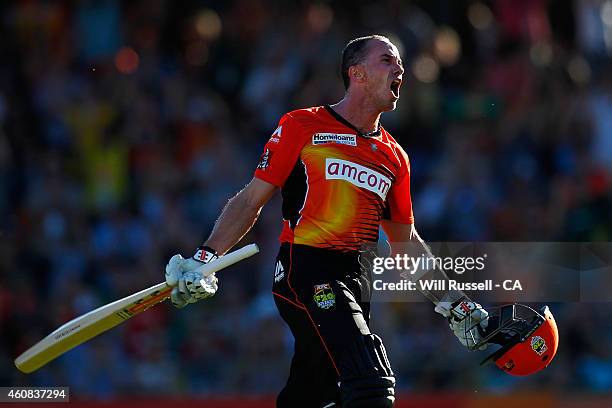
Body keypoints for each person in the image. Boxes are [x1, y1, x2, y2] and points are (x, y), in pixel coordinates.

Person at [164, 35, 489, 408]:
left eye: (399, 63)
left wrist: (454, 304)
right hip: (305, 270)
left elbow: (406, 242)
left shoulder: (395, 157)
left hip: (356, 282)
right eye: (387, 60)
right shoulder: (303, 125)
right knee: (372, 385)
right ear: (357, 73)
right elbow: (251, 200)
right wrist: (204, 260)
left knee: (314, 398)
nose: (400, 69)